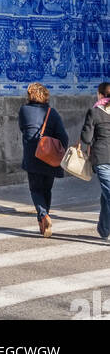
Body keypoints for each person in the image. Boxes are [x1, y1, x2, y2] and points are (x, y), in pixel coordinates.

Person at [18, 81, 69, 237]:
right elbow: (63, 137)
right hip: (49, 158)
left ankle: (43, 216)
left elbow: (22, 128)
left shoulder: (24, 110)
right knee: (46, 189)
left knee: (35, 189)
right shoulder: (51, 113)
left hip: (32, 156)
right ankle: (44, 220)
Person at [78, 81, 110, 241]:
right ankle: (104, 229)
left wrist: (86, 128)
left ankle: (104, 229)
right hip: (104, 159)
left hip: (102, 158)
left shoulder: (94, 111)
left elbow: (86, 138)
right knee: (107, 193)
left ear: (100, 95)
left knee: (108, 194)